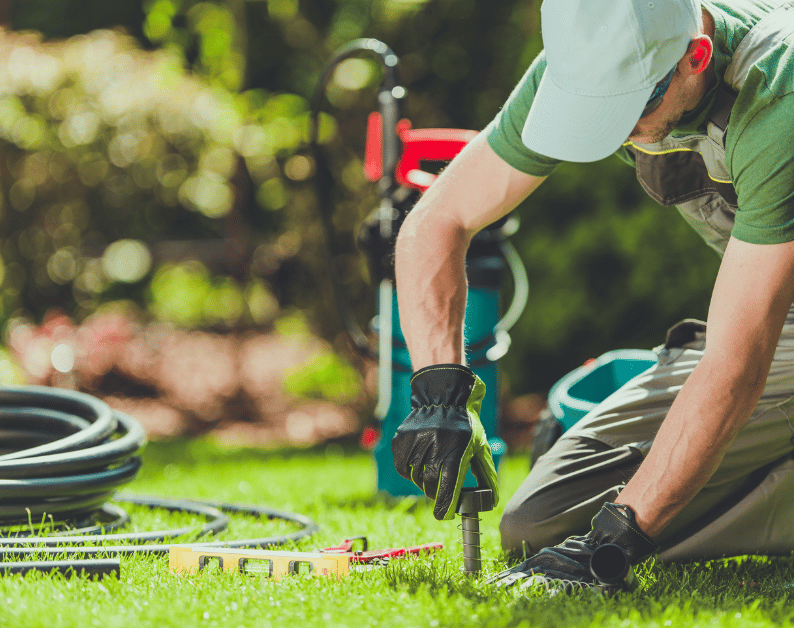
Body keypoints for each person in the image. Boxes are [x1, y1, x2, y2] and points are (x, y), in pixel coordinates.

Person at [390, 0, 794, 589]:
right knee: (538, 523)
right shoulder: (589, 58)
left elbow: (736, 365)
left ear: (695, 58)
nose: (615, 131)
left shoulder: (776, 93)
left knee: (621, 521)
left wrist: (619, 537)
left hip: (760, 346)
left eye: (630, 109)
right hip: (777, 327)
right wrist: (439, 392)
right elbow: (437, 222)